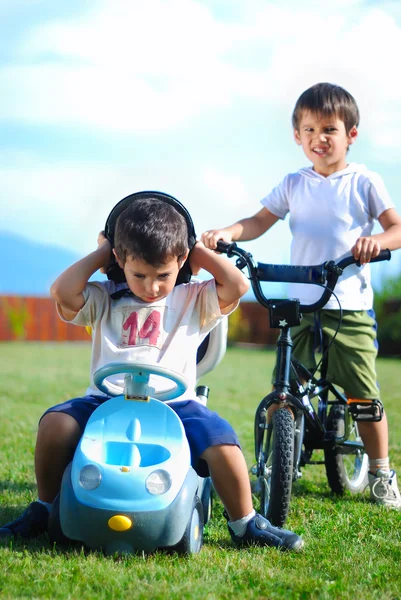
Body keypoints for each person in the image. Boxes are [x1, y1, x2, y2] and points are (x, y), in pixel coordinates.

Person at [0, 197, 303, 550]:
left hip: (175, 404)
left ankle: (245, 522)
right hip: (105, 401)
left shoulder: (193, 299)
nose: (152, 286)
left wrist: (195, 252)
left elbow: (237, 286)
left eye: (163, 276)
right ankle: (44, 507)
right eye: (139, 275)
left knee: (223, 443)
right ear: (120, 262)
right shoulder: (104, 297)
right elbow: (61, 291)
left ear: (181, 264)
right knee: (55, 424)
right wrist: (104, 251)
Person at [202, 82, 401, 509]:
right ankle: (274, 465)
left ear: (351, 134)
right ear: (297, 136)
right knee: (284, 392)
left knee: (364, 396)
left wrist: (376, 242)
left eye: (329, 129)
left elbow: (396, 228)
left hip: (347, 306)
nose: (319, 139)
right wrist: (228, 234)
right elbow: (257, 221)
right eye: (309, 130)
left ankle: (382, 472)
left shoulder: (363, 181)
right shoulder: (295, 183)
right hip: (299, 306)